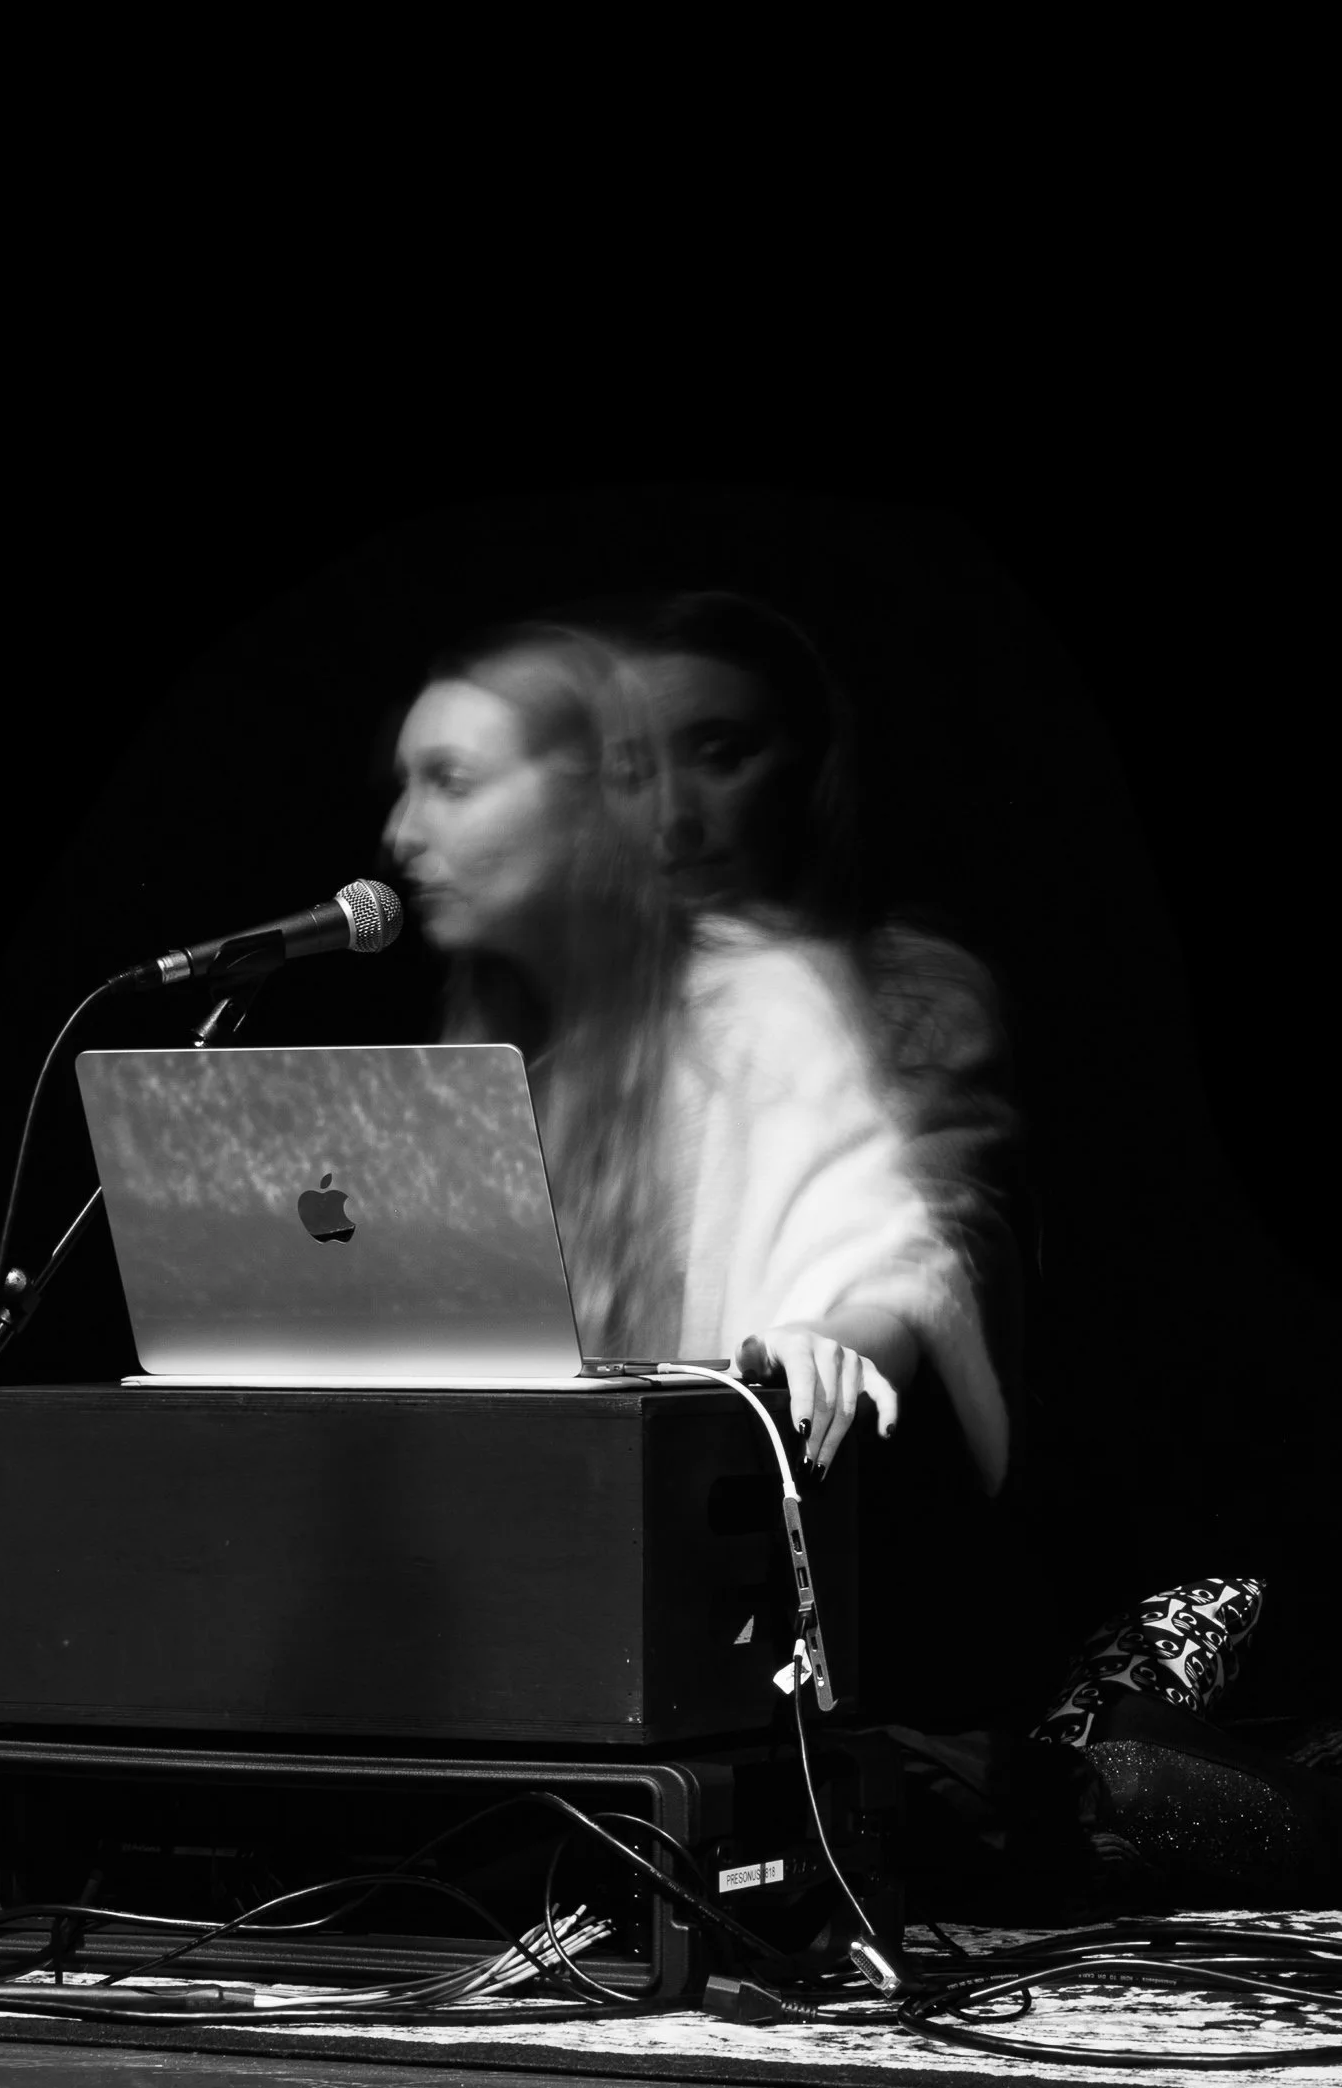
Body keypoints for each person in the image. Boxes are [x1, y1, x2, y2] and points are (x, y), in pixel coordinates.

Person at [381, 614, 1012, 1496]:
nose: (401, 834)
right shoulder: (493, 1044)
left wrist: (830, 1339)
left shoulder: (758, 1001)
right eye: (404, 784)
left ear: (587, 798)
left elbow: (891, 1263)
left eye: (451, 781)